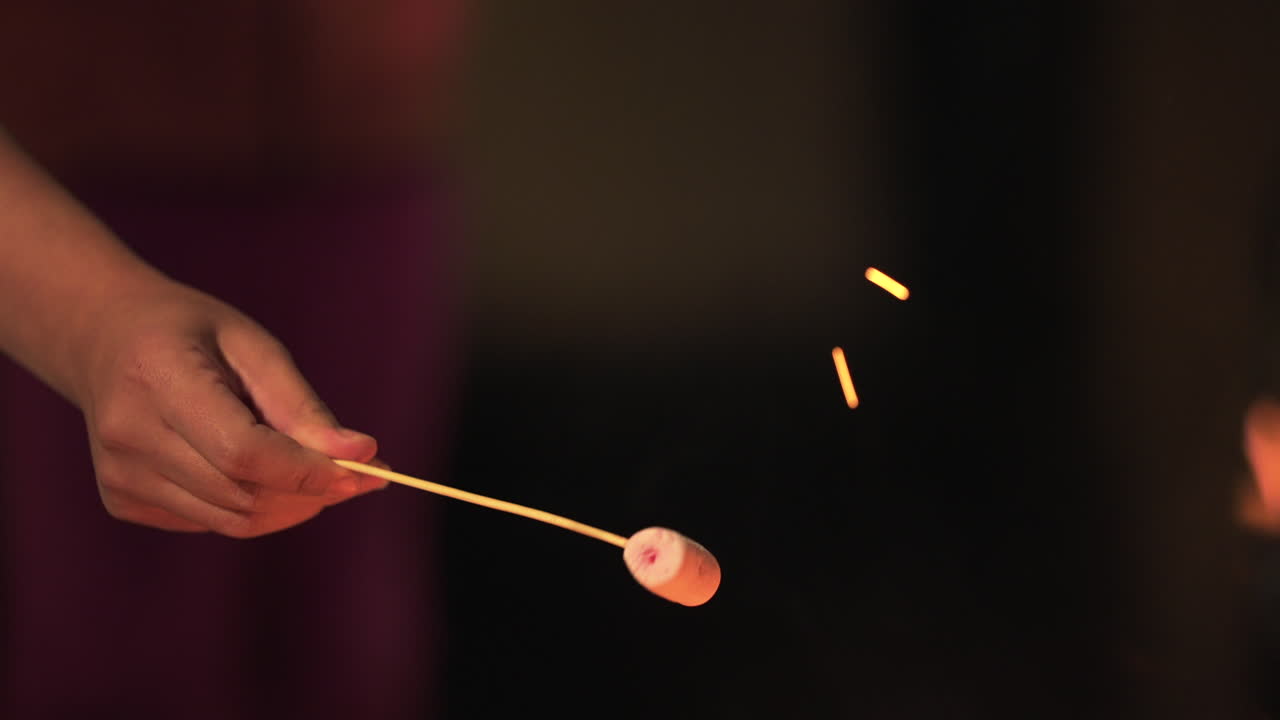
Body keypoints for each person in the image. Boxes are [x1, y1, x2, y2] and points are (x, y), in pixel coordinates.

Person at [0, 3, 462, 717]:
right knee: (114, 653)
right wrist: (91, 319)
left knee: (347, 646)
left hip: (369, 206)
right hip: (76, 211)